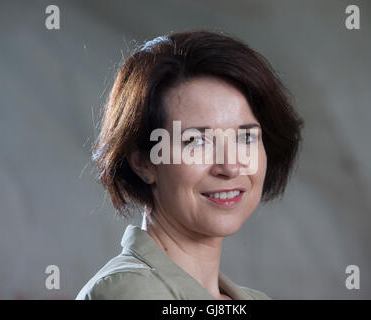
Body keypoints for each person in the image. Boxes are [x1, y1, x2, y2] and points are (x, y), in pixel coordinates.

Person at [76, 29, 303, 300]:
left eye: (245, 137)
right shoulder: (130, 292)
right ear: (143, 163)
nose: (230, 167)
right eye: (196, 141)